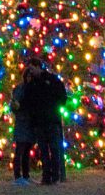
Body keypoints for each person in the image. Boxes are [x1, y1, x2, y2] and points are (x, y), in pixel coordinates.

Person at [21, 56, 67, 185]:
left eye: (31, 69)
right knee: (44, 151)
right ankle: (46, 177)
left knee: (54, 149)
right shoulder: (31, 85)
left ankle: (55, 177)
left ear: (38, 67)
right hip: (39, 122)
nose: (30, 72)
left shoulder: (52, 80)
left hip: (52, 120)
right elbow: (27, 101)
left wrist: (55, 107)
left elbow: (62, 96)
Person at [10, 64, 37, 185]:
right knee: (20, 150)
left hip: (30, 122)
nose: (30, 78)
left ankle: (26, 175)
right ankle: (17, 176)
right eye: (28, 75)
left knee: (26, 150)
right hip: (22, 121)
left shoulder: (34, 89)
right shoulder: (20, 89)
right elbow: (14, 105)